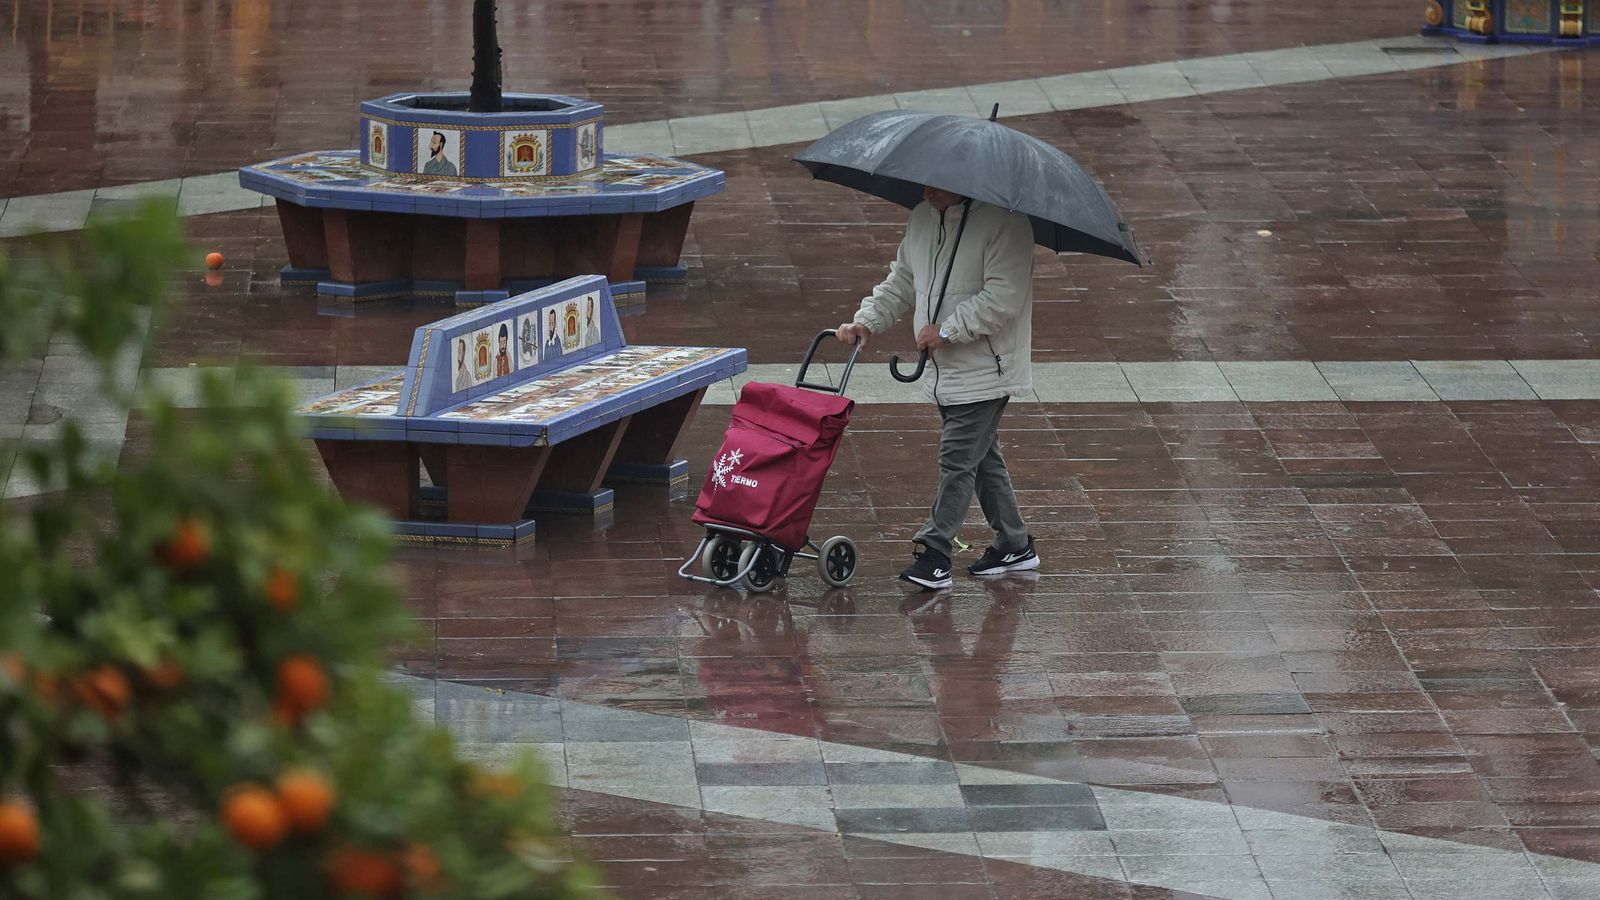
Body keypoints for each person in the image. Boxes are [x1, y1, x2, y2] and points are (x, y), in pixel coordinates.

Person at [836, 185, 1038, 590]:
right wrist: (867, 320)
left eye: (937, 183)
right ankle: (1015, 544)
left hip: (987, 368)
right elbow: (903, 280)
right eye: (925, 180)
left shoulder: (1006, 223)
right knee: (981, 459)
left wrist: (948, 329)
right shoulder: (923, 217)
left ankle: (934, 552)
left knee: (957, 458)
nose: (926, 189)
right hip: (944, 368)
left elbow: (1004, 296)